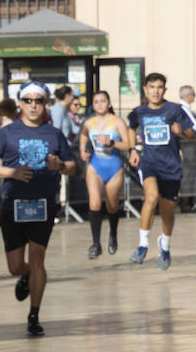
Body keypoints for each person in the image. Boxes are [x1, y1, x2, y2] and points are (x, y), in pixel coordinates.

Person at [0, 81, 76, 336]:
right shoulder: (8, 132)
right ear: (20, 103)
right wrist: (11, 172)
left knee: (37, 259)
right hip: (14, 204)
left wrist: (59, 166)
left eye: (38, 101)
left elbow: (72, 166)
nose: (33, 105)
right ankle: (24, 277)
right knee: (15, 265)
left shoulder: (53, 134)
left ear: (45, 103)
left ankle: (34, 315)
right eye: (28, 100)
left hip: (43, 203)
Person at [126, 72, 196, 268]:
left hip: (171, 166)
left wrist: (180, 131)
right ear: (145, 89)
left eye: (159, 87)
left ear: (164, 89)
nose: (155, 91)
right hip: (149, 163)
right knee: (151, 197)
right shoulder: (139, 112)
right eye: (152, 87)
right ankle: (142, 245)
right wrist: (133, 149)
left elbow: (192, 135)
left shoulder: (175, 110)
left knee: (168, 211)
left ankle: (164, 245)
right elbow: (131, 128)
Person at [77, 90, 133, 258]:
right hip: (95, 167)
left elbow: (127, 145)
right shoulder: (89, 122)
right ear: (92, 105)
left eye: (103, 101)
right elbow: (83, 136)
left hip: (114, 168)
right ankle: (95, 244)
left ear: (109, 103)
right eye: (96, 102)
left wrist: (112, 142)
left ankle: (113, 234)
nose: (100, 104)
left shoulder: (117, 121)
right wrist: (82, 150)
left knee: (112, 206)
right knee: (94, 203)